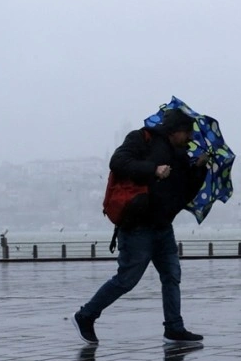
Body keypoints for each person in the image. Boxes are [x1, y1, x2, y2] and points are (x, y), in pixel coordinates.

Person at [71, 108, 208, 344]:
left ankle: (174, 328)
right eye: (187, 132)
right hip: (137, 226)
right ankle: (86, 315)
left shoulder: (181, 156)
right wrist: (153, 170)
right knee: (127, 279)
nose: (191, 138)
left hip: (163, 227)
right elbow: (118, 162)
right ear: (175, 131)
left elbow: (185, 194)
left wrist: (199, 168)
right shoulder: (141, 138)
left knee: (171, 275)